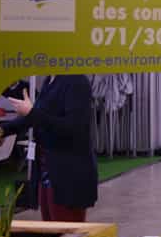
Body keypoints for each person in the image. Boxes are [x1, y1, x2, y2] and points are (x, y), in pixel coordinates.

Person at [6, 75, 97, 221]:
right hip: (48, 171)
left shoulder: (76, 81)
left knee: (65, 231)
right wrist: (1, 130)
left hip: (68, 175)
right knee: (50, 228)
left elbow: (73, 128)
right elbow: (34, 117)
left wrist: (32, 113)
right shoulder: (50, 81)